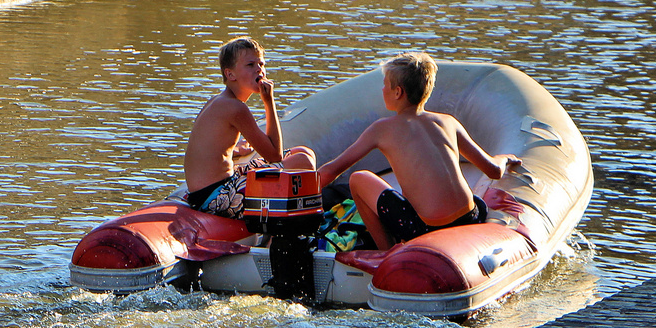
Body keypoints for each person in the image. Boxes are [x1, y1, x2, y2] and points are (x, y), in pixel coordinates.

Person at [316, 52, 522, 249]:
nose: (382, 90)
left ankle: (386, 252)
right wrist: (503, 158)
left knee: (358, 179)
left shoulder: (382, 129)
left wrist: (298, 188)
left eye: (385, 85)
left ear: (398, 92)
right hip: (471, 217)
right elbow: (494, 171)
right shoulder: (448, 122)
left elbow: (331, 171)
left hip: (425, 228)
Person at [183, 36, 316, 219]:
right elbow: (274, 156)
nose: (259, 70)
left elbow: (211, 147)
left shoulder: (220, 100)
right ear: (230, 75)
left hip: (210, 189)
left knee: (303, 152)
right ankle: (297, 221)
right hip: (215, 197)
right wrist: (269, 102)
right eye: (250, 65)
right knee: (303, 161)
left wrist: (235, 150)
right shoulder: (235, 107)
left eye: (261, 63)